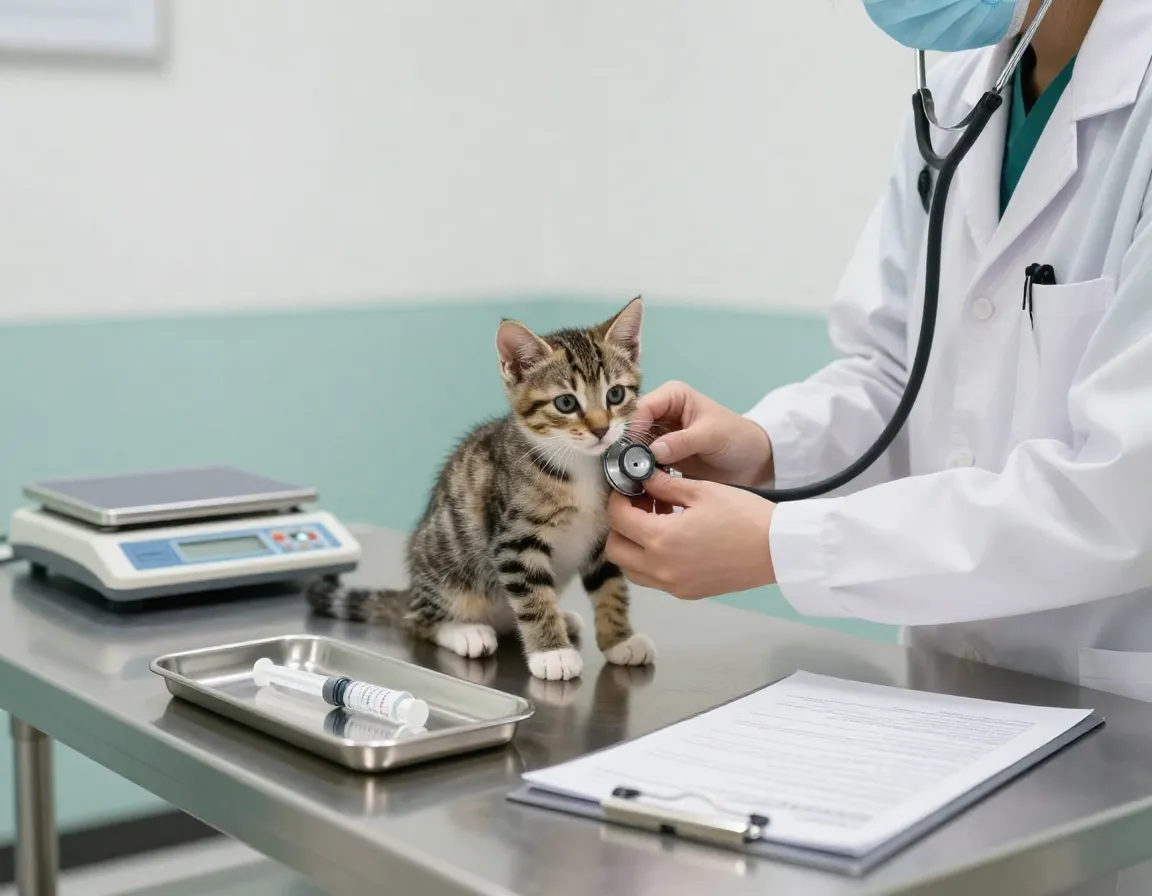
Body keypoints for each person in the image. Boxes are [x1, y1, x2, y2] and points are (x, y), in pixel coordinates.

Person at [607, 3, 1152, 892]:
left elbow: (1124, 490)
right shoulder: (968, 92)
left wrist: (783, 546)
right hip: (945, 720)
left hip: (1124, 731)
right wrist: (763, 446)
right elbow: (897, 367)